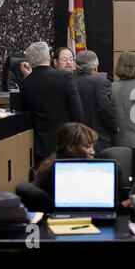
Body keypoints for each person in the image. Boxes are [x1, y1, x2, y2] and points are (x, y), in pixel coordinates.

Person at [19, 41, 85, 169]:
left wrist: (28, 76)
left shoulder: (25, 83)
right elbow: (77, 110)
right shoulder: (65, 76)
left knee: (45, 181)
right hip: (66, 142)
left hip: (41, 145)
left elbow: (26, 114)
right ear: (49, 58)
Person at [35, 122, 98, 198]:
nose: (93, 152)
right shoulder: (62, 173)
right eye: (88, 146)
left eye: (92, 147)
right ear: (71, 147)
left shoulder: (52, 164)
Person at [75, 50, 119, 154]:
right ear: (95, 67)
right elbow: (105, 109)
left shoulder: (70, 82)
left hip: (75, 139)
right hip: (97, 141)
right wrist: (114, 128)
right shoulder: (102, 83)